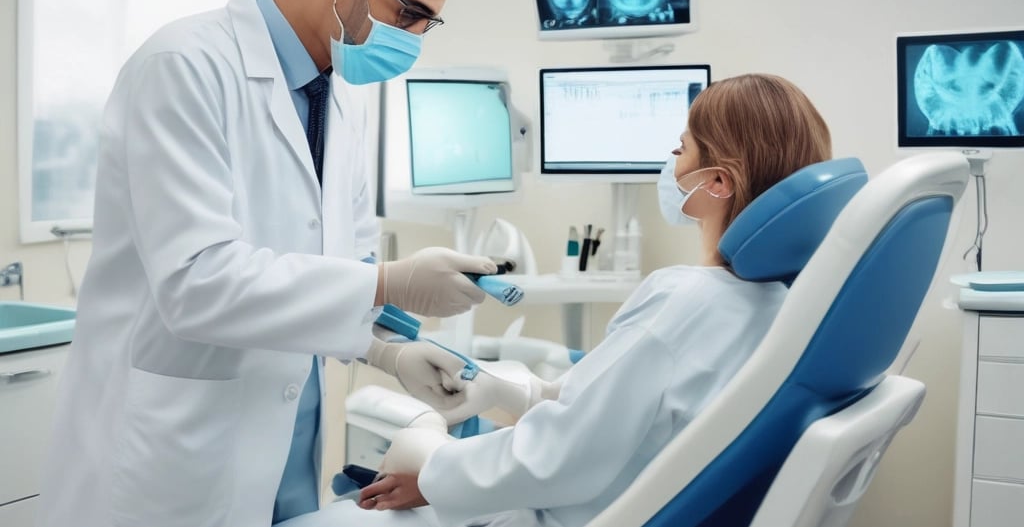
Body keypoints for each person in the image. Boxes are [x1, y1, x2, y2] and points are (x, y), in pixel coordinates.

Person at [275, 73, 834, 527]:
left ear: (716, 183)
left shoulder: (684, 300)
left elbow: (557, 460)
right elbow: (623, 417)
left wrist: (429, 455)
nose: (671, 162)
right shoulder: (784, 305)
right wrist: (514, 390)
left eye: (680, 148)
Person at [35, 0, 493, 526]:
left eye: (428, 23)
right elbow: (197, 281)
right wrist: (391, 283)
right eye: (409, 12)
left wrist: (385, 351)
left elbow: (349, 261)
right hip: (177, 453)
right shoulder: (183, 65)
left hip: (289, 449)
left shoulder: (343, 98)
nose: (415, 37)